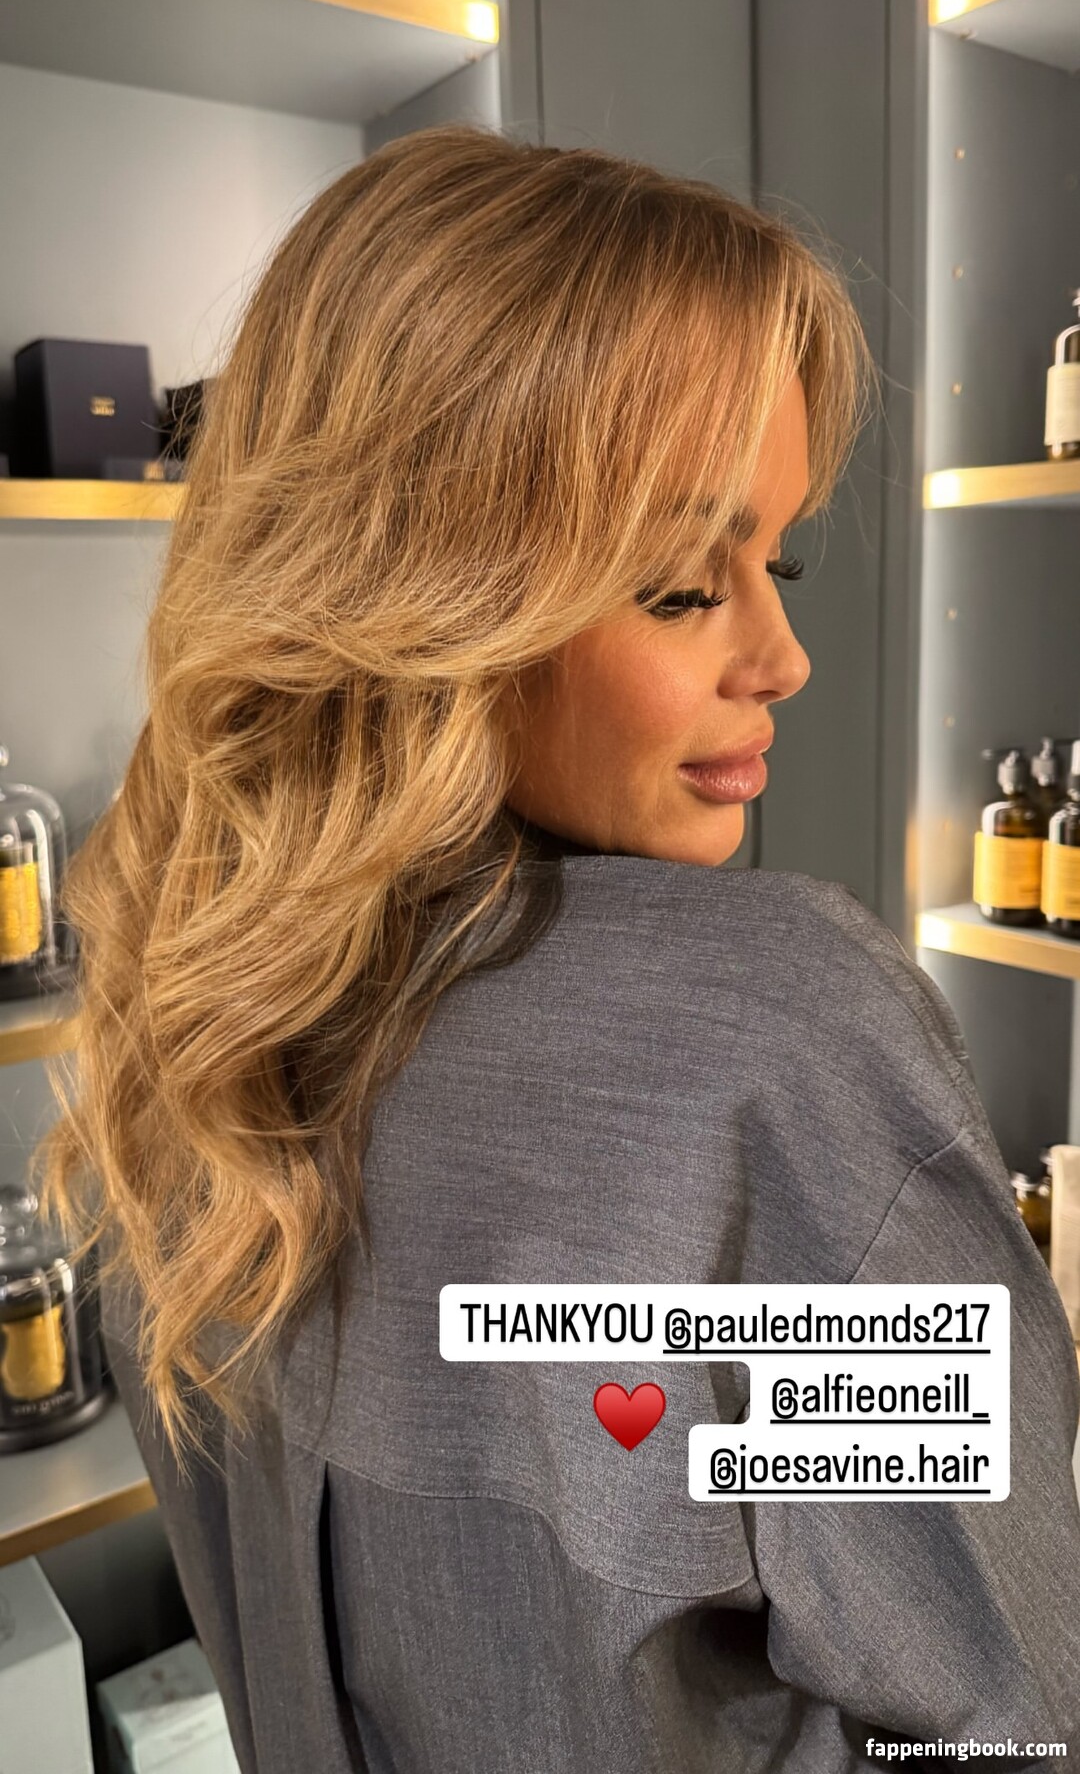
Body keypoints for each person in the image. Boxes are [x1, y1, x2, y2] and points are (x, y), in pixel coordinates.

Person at [33, 123, 1080, 1774]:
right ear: (416, 595)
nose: (785, 655)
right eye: (679, 586)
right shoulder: (768, 1049)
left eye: (778, 559)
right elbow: (1007, 1728)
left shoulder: (188, 1012)